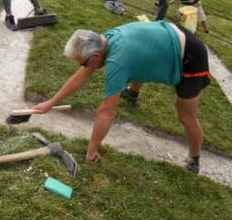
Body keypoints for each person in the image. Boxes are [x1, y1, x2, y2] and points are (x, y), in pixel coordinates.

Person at [32, 21, 212, 173]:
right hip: (171, 36)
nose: (84, 67)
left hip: (191, 57)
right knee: (138, 63)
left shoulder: (117, 61)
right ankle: (133, 93)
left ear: (95, 56)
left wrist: (92, 150)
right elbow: (81, 76)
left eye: (84, 63)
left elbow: (107, 112)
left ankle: (194, 159)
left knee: (186, 117)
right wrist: (51, 102)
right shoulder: (103, 40)